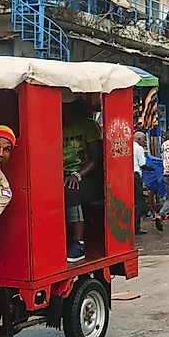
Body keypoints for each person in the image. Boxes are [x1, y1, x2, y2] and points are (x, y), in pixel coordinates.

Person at [62, 98, 103, 262]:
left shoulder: (88, 126)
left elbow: (96, 159)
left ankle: (78, 244)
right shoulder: (58, 127)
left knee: (70, 191)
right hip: (63, 176)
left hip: (88, 178)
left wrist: (77, 175)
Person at [133, 132, 148, 235]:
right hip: (135, 176)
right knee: (138, 202)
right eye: (143, 139)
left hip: (127, 175)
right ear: (138, 139)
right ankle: (137, 227)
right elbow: (142, 165)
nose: (145, 141)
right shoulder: (139, 148)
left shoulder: (129, 146)